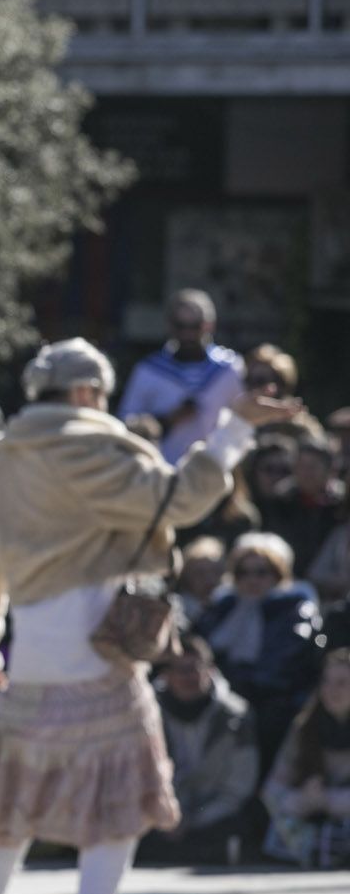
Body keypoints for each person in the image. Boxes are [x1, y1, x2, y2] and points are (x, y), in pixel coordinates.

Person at [0, 338, 296, 894]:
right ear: (85, 393)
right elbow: (177, 501)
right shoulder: (90, 448)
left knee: (13, 792)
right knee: (118, 796)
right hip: (102, 642)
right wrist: (232, 430)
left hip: (31, 650)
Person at [196, 533, 321, 765]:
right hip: (220, 696)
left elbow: (279, 668)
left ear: (278, 574)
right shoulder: (222, 607)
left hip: (271, 703)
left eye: (262, 572)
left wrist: (233, 688)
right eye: (243, 572)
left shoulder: (293, 611)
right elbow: (202, 650)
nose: (252, 580)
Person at [140, 637, 256, 866]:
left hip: (214, 815)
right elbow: (137, 777)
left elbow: (240, 783)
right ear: (165, 675)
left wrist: (195, 819)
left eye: (195, 668)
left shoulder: (236, 717)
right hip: (161, 816)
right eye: (180, 670)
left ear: (210, 670)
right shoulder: (144, 716)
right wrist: (168, 816)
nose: (188, 677)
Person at [118, 289, 246, 463]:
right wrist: (167, 420)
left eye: (195, 327)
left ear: (209, 325)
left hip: (215, 470)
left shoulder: (230, 368)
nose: (187, 334)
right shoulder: (148, 370)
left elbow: (243, 420)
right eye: (180, 326)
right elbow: (126, 425)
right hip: (162, 471)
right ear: (170, 325)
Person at [262, 649, 350, 868]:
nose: (332, 691)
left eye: (342, 683)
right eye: (327, 682)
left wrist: (331, 799)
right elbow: (272, 789)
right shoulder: (305, 728)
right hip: (314, 821)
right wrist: (299, 800)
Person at [260, 437, 345, 571]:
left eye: (312, 467)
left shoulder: (341, 504)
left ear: (330, 470)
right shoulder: (279, 502)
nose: (305, 473)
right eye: (300, 466)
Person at [173, 536, 230, 628]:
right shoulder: (177, 609)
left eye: (216, 571)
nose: (209, 579)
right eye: (200, 573)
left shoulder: (232, 605)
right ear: (187, 575)